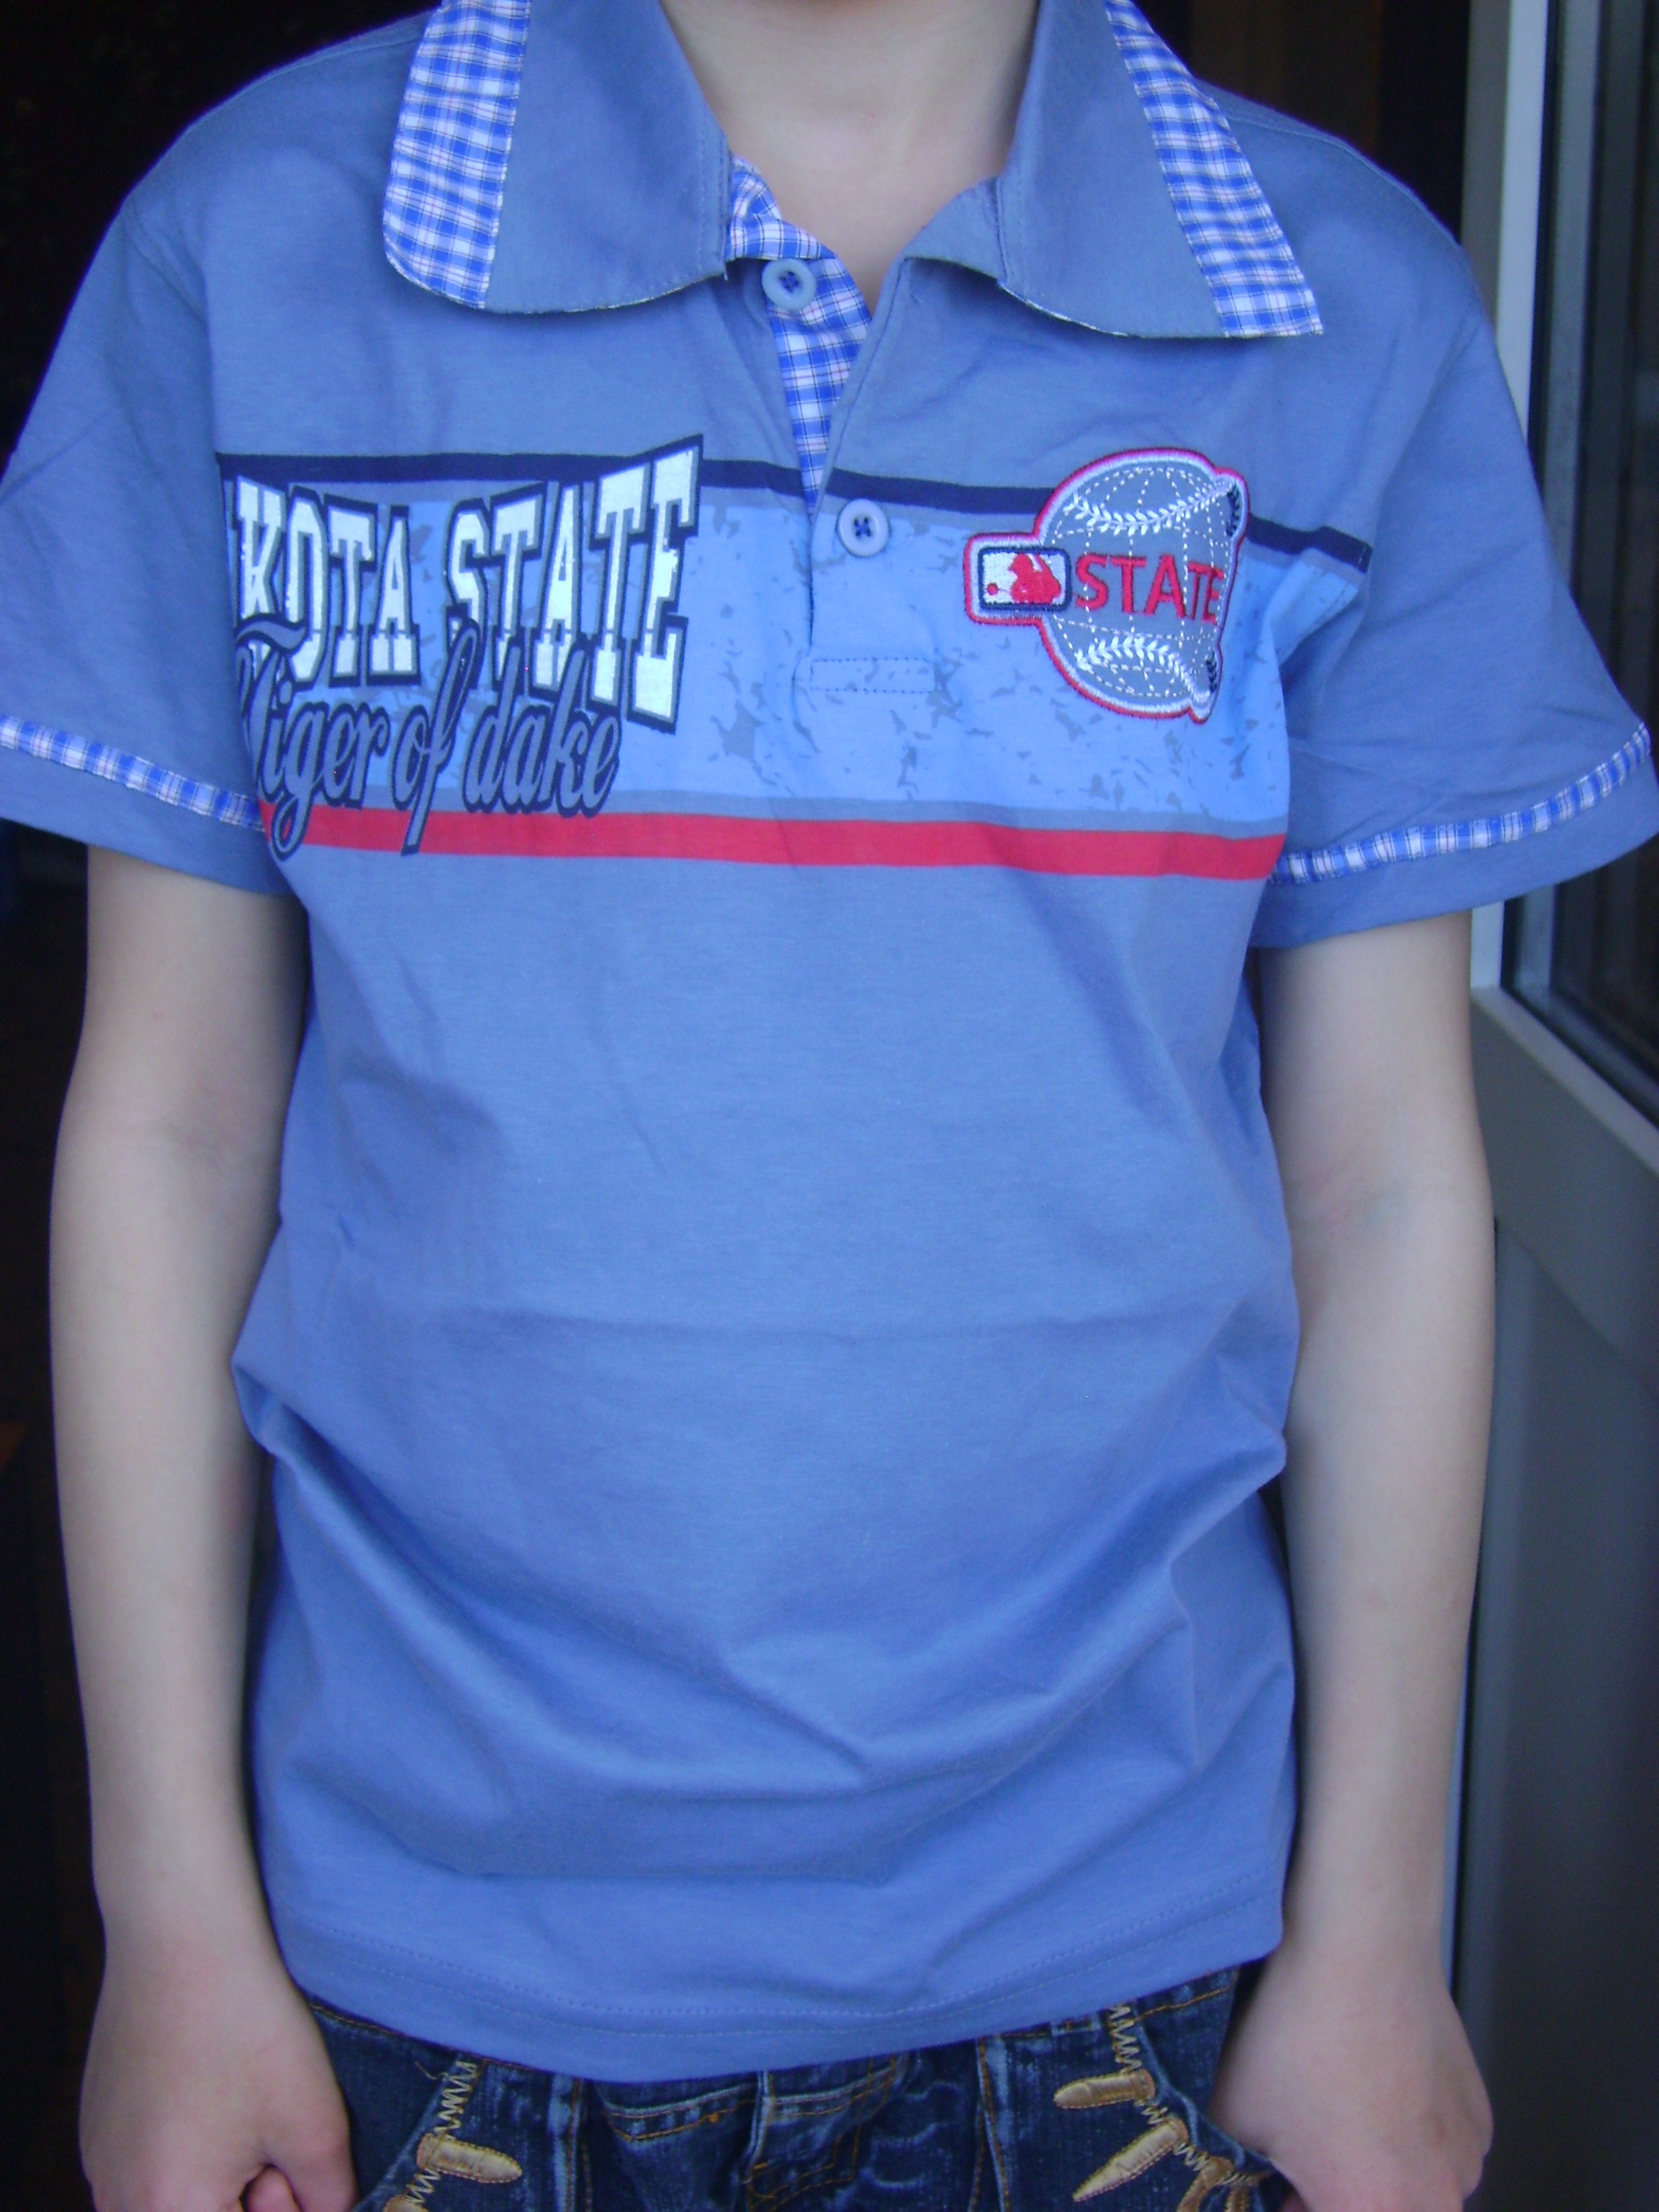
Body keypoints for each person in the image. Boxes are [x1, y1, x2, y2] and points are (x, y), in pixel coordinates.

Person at [2, 0, 1653, 2206]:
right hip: (408, 1987)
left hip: (1129, 1974)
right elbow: (171, 1132)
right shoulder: (261, 245)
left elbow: (1383, 1192)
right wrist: (167, 1918)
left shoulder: (1342, 307)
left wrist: (1378, 1932)